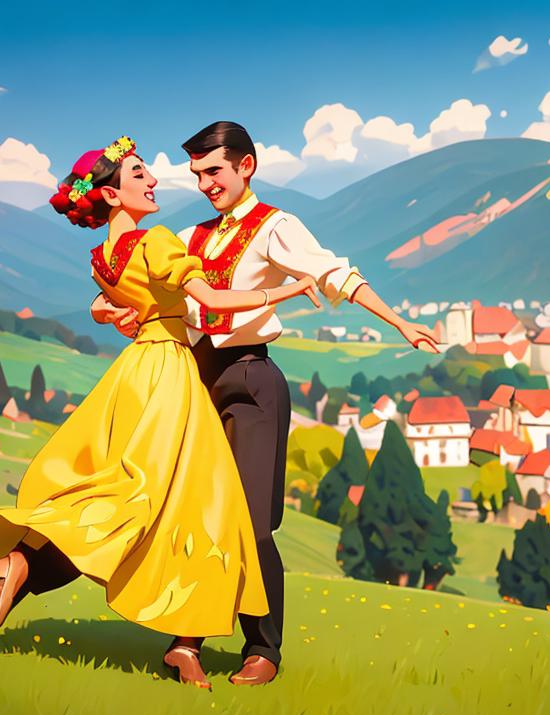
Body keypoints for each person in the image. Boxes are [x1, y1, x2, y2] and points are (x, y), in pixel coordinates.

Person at [92, 122, 439, 685]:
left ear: (245, 166)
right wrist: (111, 310)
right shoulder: (188, 235)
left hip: (252, 380)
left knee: (253, 524)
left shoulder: (276, 226)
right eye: (197, 175)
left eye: (213, 172)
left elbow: (334, 274)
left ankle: (263, 649)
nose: (204, 184)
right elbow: (136, 286)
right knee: (193, 516)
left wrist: (399, 321)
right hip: (197, 375)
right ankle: (187, 643)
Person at [0, 136, 320, 690]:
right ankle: (200, 641)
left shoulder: (101, 257)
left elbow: (114, 305)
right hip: (173, 377)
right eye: (139, 174)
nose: (154, 181)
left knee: (126, 488)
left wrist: (107, 310)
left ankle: (28, 562)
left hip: (131, 376)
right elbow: (211, 301)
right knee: (183, 505)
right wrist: (287, 291)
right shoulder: (156, 239)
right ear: (113, 193)